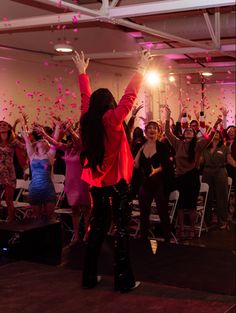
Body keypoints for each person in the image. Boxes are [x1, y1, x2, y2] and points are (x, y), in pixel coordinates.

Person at [72, 50, 152, 292]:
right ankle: (123, 280)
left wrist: (82, 74)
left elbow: (85, 99)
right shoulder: (113, 120)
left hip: (97, 184)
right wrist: (141, 69)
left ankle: (88, 277)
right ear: (110, 104)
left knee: (97, 228)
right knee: (121, 231)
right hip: (117, 184)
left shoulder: (87, 120)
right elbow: (129, 97)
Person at [164, 106, 222, 240]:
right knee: (180, 205)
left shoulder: (198, 145)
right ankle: (181, 228)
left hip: (192, 178)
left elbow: (211, 136)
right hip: (179, 178)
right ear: (184, 133)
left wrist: (215, 125)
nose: (189, 131)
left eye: (191, 130)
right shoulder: (178, 144)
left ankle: (191, 229)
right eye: (187, 130)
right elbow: (167, 132)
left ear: (194, 134)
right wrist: (168, 117)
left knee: (190, 206)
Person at [35, 122, 91, 242]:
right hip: (71, 184)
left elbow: (79, 143)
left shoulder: (84, 149)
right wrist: (44, 134)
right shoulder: (67, 149)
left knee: (86, 210)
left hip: (82, 184)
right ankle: (76, 235)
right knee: (74, 211)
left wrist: (71, 131)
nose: (72, 140)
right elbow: (55, 143)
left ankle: (87, 235)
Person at [134, 121, 174, 242]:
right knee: (144, 213)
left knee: (163, 212)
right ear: (145, 132)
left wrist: (155, 171)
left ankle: (167, 239)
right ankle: (144, 239)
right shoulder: (141, 146)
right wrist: (139, 151)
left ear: (158, 132)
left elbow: (167, 165)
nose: (152, 130)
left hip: (159, 183)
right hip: (145, 183)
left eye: (154, 128)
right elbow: (136, 166)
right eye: (149, 128)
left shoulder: (162, 146)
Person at [21, 125, 57, 220]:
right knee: (37, 218)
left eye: (45, 140)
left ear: (48, 145)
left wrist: (57, 127)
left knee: (50, 218)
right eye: (40, 140)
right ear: (36, 145)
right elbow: (27, 141)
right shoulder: (32, 156)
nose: (42, 140)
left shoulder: (50, 156)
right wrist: (25, 135)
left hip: (48, 189)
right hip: (34, 189)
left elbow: (55, 141)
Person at [202, 130, 235, 228]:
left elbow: (229, 159)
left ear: (220, 137)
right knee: (207, 198)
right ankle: (207, 221)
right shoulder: (205, 148)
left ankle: (222, 221)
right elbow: (201, 161)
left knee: (222, 197)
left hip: (220, 172)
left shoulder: (224, 148)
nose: (215, 135)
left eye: (217, 134)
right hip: (207, 172)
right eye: (213, 134)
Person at [0, 120, 26, 222]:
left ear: (9, 128)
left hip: (9, 173)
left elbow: (25, 147)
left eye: (4, 125)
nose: (2, 126)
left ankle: (11, 223)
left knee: (9, 201)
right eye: (0, 125)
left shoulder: (13, 141)